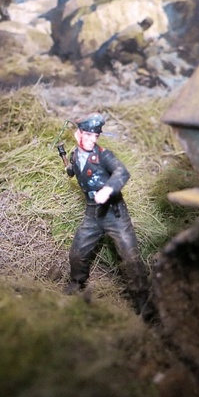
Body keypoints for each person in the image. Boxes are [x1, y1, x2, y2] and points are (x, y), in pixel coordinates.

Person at [62, 113, 153, 319]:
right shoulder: (75, 155)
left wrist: (108, 189)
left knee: (130, 256)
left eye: (95, 136)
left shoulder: (104, 156)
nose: (92, 140)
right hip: (92, 213)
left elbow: (122, 172)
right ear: (78, 134)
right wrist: (68, 166)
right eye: (88, 135)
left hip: (115, 213)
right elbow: (73, 171)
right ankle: (76, 282)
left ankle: (142, 299)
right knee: (78, 251)